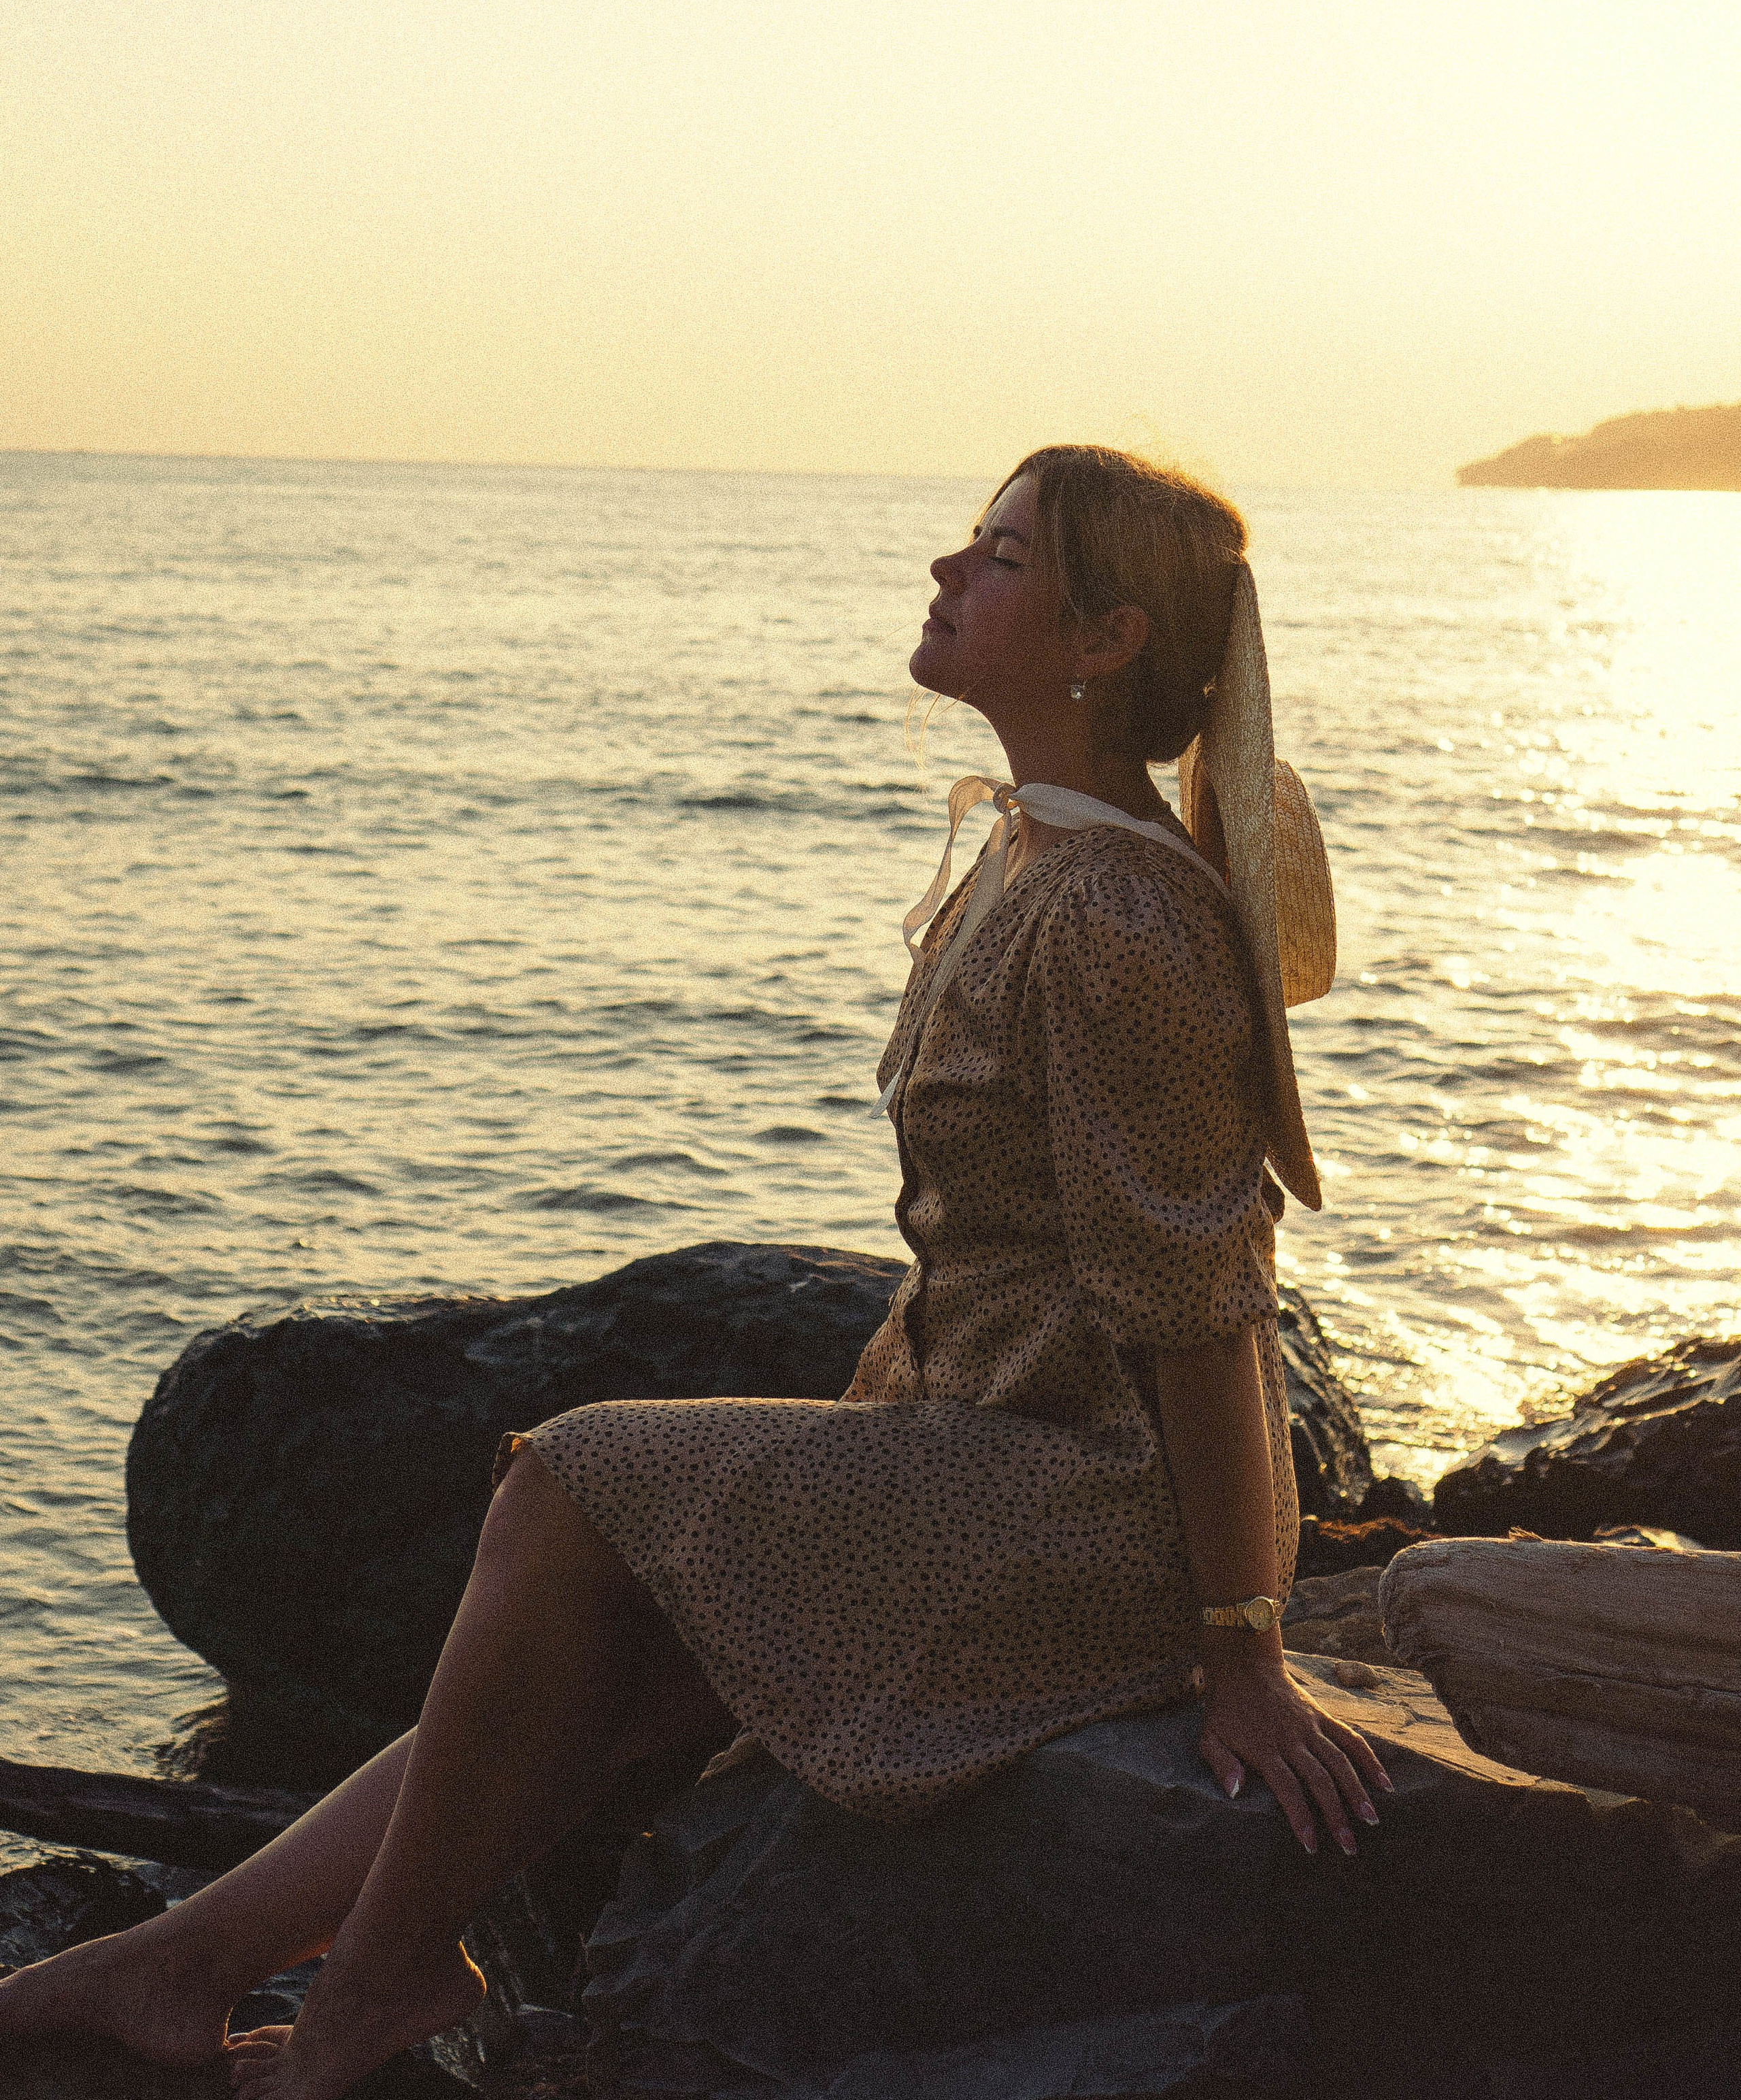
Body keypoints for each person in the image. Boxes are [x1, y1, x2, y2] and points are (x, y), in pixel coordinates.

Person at [0, 443, 1389, 2099]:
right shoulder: (1031, 861)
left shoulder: (1112, 917)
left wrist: (1242, 1652)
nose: (948, 572)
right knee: (600, 1669)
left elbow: (1206, 1317)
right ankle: (175, 1964)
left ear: (1104, 638)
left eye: (1000, 558)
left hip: (1090, 1507)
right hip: (976, 1445)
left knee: (571, 1479)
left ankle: (375, 1985)